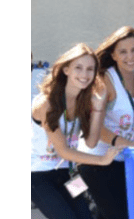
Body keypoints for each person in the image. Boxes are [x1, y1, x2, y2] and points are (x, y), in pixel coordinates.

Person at [31, 43, 123, 219]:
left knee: (86, 217)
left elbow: (91, 142)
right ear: (66, 69)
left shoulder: (84, 101)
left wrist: (97, 109)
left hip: (67, 174)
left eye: (90, 69)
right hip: (37, 175)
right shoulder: (46, 103)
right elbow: (64, 151)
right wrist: (101, 160)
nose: (84, 74)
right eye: (78, 68)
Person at [77, 26, 134, 219]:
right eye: (123, 52)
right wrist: (129, 143)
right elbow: (94, 128)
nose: (130, 57)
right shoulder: (105, 80)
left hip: (123, 160)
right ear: (114, 55)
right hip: (95, 161)